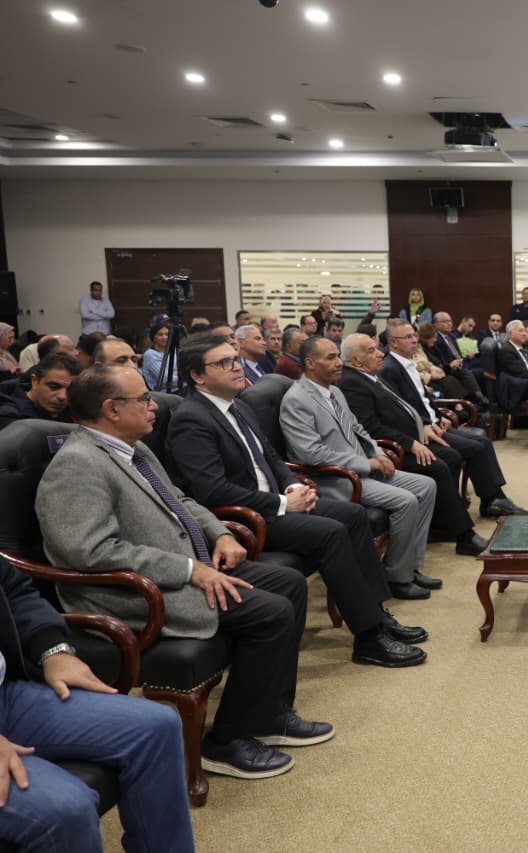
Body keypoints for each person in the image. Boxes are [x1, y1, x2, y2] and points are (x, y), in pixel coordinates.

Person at [38, 365, 332, 780]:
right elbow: (90, 552)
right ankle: (226, 741)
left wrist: (220, 534)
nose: (153, 406)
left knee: (288, 583)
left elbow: (181, 501)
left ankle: (269, 714)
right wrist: (189, 569)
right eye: (143, 399)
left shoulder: (134, 449)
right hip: (133, 593)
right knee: (270, 612)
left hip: (183, 567)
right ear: (112, 409)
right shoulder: (78, 464)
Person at [166, 334, 426, 666]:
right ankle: (368, 638)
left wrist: (291, 487)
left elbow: (273, 458)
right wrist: (282, 503)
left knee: (352, 515)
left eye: (235, 360)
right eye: (224, 363)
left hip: (275, 502)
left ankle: (377, 614)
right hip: (246, 517)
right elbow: (212, 491)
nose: (236, 367)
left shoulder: (238, 405)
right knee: (331, 532)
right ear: (197, 376)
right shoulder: (191, 419)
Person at [0, 555, 196, 852]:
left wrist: (52, 649)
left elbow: (13, 589)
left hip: (7, 695)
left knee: (158, 727)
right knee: (67, 809)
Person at [279, 336, 439, 600]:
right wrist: (366, 463)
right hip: (336, 479)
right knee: (406, 500)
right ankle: (397, 577)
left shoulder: (335, 391)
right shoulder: (297, 400)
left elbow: (359, 429)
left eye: (337, 356)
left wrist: (379, 454)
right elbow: (310, 453)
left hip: (363, 470)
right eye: (330, 358)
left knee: (427, 485)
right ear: (310, 363)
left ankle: (410, 565)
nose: (339, 363)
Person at [339, 334, 494, 556]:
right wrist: (410, 443)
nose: (380, 354)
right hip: (391, 449)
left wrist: (424, 426)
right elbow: (370, 428)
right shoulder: (352, 383)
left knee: (451, 456)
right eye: (372, 351)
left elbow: (405, 408)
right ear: (356, 359)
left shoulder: (370, 375)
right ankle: (464, 536)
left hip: (409, 438)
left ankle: (441, 525)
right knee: (437, 466)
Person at [380, 324, 528, 518]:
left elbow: (424, 399)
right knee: (475, 448)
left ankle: (494, 499)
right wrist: (426, 424)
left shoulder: (408, 363)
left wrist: (439, 416)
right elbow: (401, 408)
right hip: (422, 431)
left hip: (435, 423)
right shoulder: (390, 369)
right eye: (408, 337)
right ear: (393, 342)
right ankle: (491, 500)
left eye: (414, 335)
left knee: (483, 441)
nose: (415, 340)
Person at [0, 352, 80, 430]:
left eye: (71, 389)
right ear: (34, 381)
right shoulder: (9, 417)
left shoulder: (72, 411)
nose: (62, 396)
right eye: (54, 387)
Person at [141, 324, 177, 390]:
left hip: (179, 389)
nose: (164, 337)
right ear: (154, 338)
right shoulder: (150, 354)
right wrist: (179, 373)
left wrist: (174, 373)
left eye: (167, 334)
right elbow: (165, 379)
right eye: (160, 335)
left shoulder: (174, 351)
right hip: (162, 393)